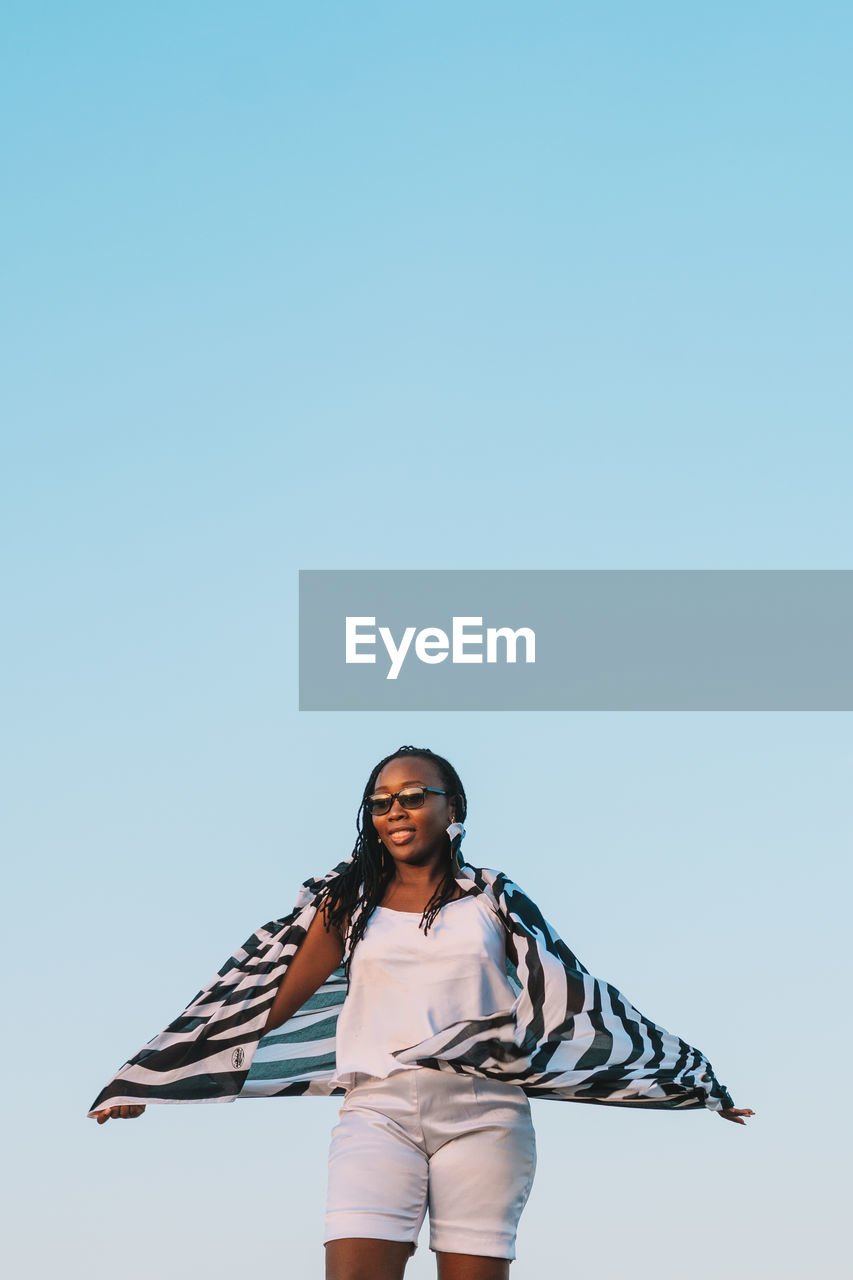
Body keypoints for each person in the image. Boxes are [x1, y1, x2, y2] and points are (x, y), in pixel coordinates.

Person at [90, 745, 753, 1280]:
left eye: (413, 796)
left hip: (487, 1115)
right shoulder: (345, 904)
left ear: (452, 807)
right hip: (377, 1109)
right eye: (380, 802)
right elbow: (262, 1004)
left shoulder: (495, 898)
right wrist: (151, 1075)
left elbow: (575, 997)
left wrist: (691, 1081)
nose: (395, 811)